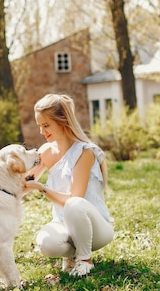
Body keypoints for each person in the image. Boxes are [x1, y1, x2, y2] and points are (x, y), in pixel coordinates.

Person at [24, 93, 114, 277]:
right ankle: (72, 256)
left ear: (63, 121)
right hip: (64, 225)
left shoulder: (85, 151)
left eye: (46, 125)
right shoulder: (46, 151)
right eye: (39, 126)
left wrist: (43, 189)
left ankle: (84, 260)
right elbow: (25, 182)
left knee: (74, 204)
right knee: (46, 243)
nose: (42, 132)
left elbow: (75, 198)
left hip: (96, 229)